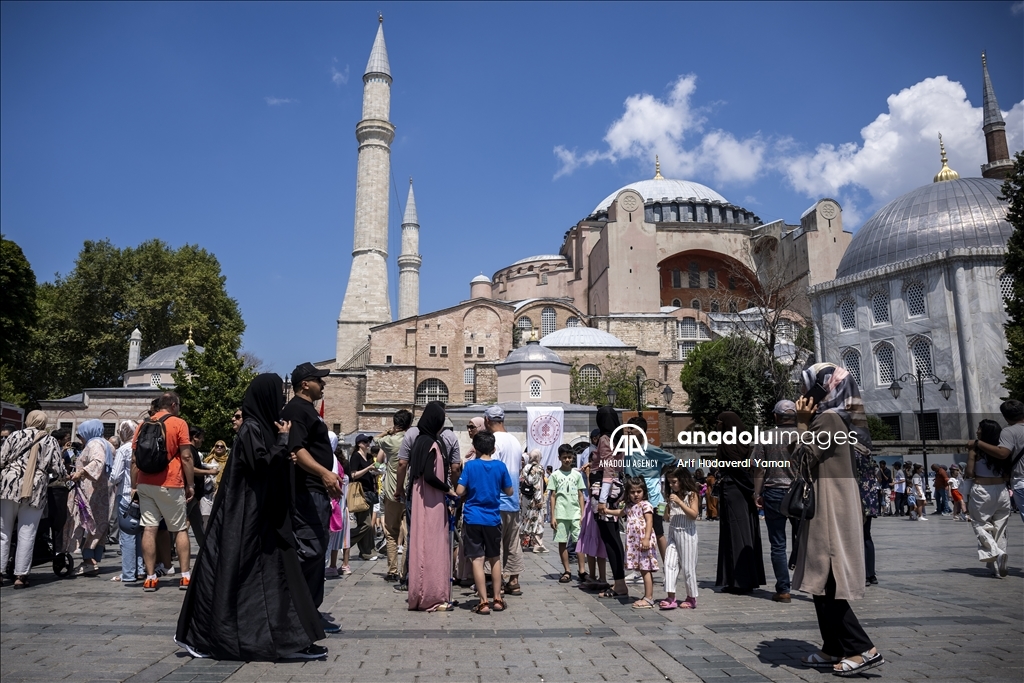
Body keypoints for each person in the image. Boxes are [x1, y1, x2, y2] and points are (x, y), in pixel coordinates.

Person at [175, 373, 327, 661]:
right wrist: (283, 443)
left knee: (277, 579)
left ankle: (290, 638)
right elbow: (261, 464)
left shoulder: (260, 428)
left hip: (264, 518)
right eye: (277, 396)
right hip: (245, 520)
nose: (281, 403)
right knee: (238, 575)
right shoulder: (251, 429)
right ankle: (211, 637)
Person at [793, 363, 883, 676]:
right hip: (828, 505)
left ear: (823, 389)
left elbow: (803, 462)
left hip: (831, 509)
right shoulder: (833, 418)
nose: (800, 393)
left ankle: (862, 648)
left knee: (829, 580)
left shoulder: (829, 419)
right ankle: (833, 646)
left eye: (805, 386)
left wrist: (802, 423)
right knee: (820, 582)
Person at [281, 363, 340, 631]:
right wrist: (324, 474)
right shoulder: (295, 409)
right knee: (312, 549)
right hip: (306, 491)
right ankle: (298, 612)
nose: (323, 384)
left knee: (318, 550)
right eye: (319, 380)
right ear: (305, 384)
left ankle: (309, 610)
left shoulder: (308, 411)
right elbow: (297, 449)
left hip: (317, 491)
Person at [132, 392, 195, 591]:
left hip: (145, 483)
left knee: (149, 529)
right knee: (179, 529)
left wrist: (135, 485)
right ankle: (185, 576)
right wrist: (190, 484)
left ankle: (150, 577)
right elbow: (186, 456)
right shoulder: (179, 423)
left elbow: (134, 459)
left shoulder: (143, 424)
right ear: (174, 405)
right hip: (170, 482)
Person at [0, 411, 65, 588]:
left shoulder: (14, 435)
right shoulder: (49, 440)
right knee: (26, 532)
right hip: (34, 490)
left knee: (3, 531)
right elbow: (58, 469)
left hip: (9, 486)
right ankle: (20, 576)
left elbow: (2, 459)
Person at [406, 401, 456, 611]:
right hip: (432, 500)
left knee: (419, 544)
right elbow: (429, 475)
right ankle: (433, 595)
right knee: (434, 546)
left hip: (419, 498)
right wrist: (448, 489)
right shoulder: (433, 444)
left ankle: (418, 593)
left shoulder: (419, 441)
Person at [457, 430, 513, 615]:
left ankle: (483, 602)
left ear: (475, 448)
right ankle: (497, 598)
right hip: (493, 518)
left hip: (473, 517)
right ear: (494, 447)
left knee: (477, 559)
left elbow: (459, 490)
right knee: (495, 558)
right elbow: (510, 490)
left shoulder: (471, 466)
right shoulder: (500, 466)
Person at [752, 400, 800, 603]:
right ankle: (815, 585)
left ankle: (784, 589)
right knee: (806, 541)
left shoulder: (766, 436)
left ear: (776, 417)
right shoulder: (805, 435)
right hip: (800, 494)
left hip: (774, 494)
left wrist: (757, 493)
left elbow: (759, 468)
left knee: (778, 544)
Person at [714, 411, 765, 594]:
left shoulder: (727, 444)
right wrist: (752, 490)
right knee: (745, 532)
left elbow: (737, 469)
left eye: (719, 422)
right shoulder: (742, 442)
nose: (717, 425)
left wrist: (751, 490)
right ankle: (745, 578)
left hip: (733, 490)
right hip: (741, 491)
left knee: (735, 533)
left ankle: (739, 580)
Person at [482, 405, 526, 596]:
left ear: (486, 421)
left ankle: (493, 581)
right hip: (513, 499)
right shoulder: (515, 441)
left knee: (493, 543)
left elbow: (491, 470)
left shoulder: (493, 441)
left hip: (496, 500)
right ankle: (514, 581)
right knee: (513, 542)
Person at [623, 416, 677, 567]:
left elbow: (672, 460)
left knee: (658, 532)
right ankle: (639, 566)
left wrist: (659, 472)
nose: (629, 432)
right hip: (635, 500)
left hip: (655, 501)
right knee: (636, 533)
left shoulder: (650, 449)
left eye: (632, 429)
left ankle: (669, 566)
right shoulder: (627, 450)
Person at [601, 476, 658, 608]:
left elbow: (649, 521)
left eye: (639, 491)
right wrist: (607, 511)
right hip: (635, 543)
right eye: (632, 492)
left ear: (644, 491)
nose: (636, 495)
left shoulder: (646, 505)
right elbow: (620, 512)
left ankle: (649, 597)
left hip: (643, 541)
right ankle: (647, 596)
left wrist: (646, 538)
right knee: (641, 568)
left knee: (645, 568)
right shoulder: (630, 506)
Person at [66, 419, 113, 576]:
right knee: (98, 525)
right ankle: (91, 559)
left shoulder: (94, 444)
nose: (81, 439)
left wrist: (81, 472)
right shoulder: (107, 444)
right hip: (105, 491)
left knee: (89, 523)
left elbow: (97, 462)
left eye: (81, 435)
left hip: (93, 491)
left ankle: (88, 560)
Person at [966, 419, 1012, 577]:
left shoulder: (975, 450)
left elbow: (970, 473)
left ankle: (996, 553)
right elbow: (1007, 474)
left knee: (980, 524)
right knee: (1000, 528)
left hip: (982, 490)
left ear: (984, 432)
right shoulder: (1003, 450)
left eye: (979, 428)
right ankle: (998, 569)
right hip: (1002, 490)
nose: (977, 430)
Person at [594, 405, 629, 599]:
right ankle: (619, 581)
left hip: (604, 489)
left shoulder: (605, 439)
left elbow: (608, 469)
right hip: (616, 488)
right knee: (613, 537)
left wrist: (602, 500)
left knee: (610, 538)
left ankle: (620, 583)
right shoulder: (619, 438)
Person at [972, 399, 1024, 523]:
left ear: (1005, 416)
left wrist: (978, 443)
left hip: (1021, 481)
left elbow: (1002, 453)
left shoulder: (1009, 431)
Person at [376, 409, 412, 582]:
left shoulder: (389, 441)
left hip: (392, 491)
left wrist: (389, 431)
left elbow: (376, 439)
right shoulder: (411, 439)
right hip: (409, 491)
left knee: (391, 532)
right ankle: (405, 570)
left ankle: (392, 570)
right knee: (408, 534)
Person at [660, 467, 700, 610]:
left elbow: (694, 515)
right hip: (673, 532)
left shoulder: (692, 495)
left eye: (674, 482)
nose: (671, 485)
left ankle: (691, 597)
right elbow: (666, 517)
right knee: (669, 563)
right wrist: (664, 508)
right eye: (669, 483)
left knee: (688, 568)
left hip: (687, 534)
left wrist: (680, 502)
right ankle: (671, 596)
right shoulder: (671, 495)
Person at [547, 444, 586, 583]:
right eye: (565, 457)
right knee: (562, 542)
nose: (567, 460)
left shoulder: (577, 474)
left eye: (570, 457)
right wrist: (552, 516)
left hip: (575, 513)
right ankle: (567, 570)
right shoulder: (555, 475)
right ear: (559, 458)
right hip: (561, 513)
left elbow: (581, 494)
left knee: (579, 542)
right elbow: (552, 496)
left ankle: (582, 570)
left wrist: (582, 514)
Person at [110, 420, 142, 583]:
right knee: (140, 534)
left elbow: (116, 476)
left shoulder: (123, 450)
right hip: (143, 495)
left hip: (126, 495)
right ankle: (141, 569)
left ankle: (128, 573)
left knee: (128, 536)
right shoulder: (142, 447)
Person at [347, 434, 380, 561]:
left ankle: (367, 551)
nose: (368, 444)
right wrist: (368, 468)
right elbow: (354, 474)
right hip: (360, 493)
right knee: (365, 524)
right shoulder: (355, 456)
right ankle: (347, 540)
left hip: (370, 492)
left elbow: (369, 472)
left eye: (369, 442)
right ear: (359, 444)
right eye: (366, 442)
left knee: (368, 524)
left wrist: (375, 471)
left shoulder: (369, 457)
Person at [326, 433, 351, 578]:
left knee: (334, 540)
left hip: (335, 508)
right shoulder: (344, 473)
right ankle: (345, 565)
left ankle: (333, 565)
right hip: (344, 509)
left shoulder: (331, 464)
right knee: (345, 539)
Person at [519, 450, 547, 553]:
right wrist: (539, 500)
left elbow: (522, 481)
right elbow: (538, 485)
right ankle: (538, 545)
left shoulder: (525, 467)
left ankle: (522, 542)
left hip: (525, 497)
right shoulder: (539, 468)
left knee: (524, 519)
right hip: (534, 499)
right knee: (537, 520)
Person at [202, 440, 229, 529]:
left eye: (222, 446)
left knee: (219, 516)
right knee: (205, 516)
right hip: (207, 492)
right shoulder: (208, 460)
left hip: (221, 492)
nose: (219, 448)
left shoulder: (228, 461)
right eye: (217, 446)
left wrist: (220, 488)